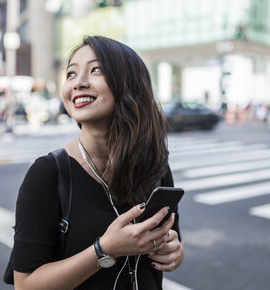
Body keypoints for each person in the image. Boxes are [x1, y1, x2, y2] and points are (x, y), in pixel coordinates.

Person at [11, 35, 184, 290]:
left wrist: (174, 253)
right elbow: (25, 285)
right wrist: (104, 250)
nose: (78, 82)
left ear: (129, 84)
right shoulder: (47, 174)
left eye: (95, 70)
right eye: (70, 74)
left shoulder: (155, 165)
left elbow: (175, 245)